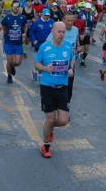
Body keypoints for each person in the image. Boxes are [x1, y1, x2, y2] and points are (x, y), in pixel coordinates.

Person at [34, 22, 75, 158]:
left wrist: (70, 68)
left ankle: (48, 128)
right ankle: (45, 145)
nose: (61, 34)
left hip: (62, 87)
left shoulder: (68, 46)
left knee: (63, 120)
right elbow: (36, 64)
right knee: (50, 118)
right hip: (47, 87)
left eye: (63, 32)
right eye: (59, 32)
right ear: (53, 31)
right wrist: (46, 68)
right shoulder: (45, 47)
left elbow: (72, 59)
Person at [1, 1, 28, 84]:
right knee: (9, 61)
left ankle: (12, 67)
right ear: (11, 7)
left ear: (19, 8)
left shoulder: (22, 17)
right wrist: (3, 33)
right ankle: (9, 76)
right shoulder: (7, 17)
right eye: (14, 7)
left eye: (17, 7)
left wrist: (25, 34)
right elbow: (3, 26)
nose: (15, 8)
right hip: (8, 42)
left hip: (18, 43)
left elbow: (25, 25)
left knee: (17, 62)